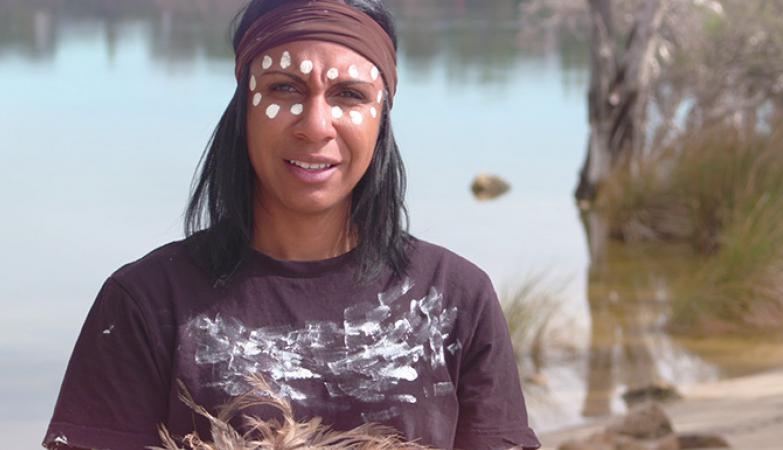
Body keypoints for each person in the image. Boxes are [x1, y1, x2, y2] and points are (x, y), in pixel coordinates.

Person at [43, 1, 541, 449]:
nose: (315, 124)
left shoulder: (454, 299)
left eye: (349, 94)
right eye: (285, 87)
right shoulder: (146, 303)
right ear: (243, 108)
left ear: (381, 116)